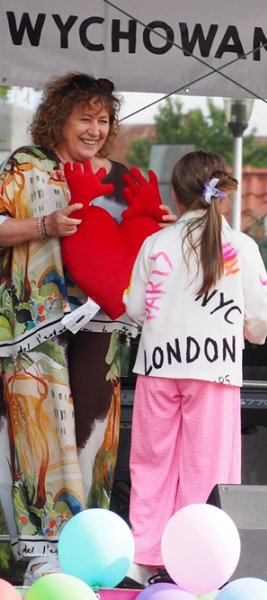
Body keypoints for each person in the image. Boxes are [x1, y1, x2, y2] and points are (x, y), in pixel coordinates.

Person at [0, 72, 173, 583]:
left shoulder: (120, 176)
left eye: (103, 120)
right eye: (85, 118)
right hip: (35, 324)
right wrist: (44, 226)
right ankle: (42, 558)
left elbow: (133, 249)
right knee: (41, 437)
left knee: (94, 439)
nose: (95, 129)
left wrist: (156, 231)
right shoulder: (26, 165)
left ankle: (88, 552)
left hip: (103, 323)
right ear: (59, 118)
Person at [123, 150, 267, 585]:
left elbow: (134, 307)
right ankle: (194, 562)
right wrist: (249, 332)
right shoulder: (241, 247)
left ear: (175, 193)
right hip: (215, 370)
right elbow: (260, 319)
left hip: (158, 366)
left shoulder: (156, 243)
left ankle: (143, 558)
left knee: (151, 463)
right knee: (206, 468)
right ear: (222, 194)